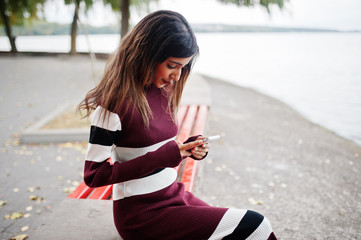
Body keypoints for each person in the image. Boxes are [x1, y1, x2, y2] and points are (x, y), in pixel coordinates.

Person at [78, 10, 277, 240]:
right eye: (172, 65)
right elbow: (94, 176)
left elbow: (159, 147)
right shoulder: (112, 107)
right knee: (256, 224)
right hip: (141, 214)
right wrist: (163, 156)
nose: (177, 75)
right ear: (147, 54)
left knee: (238, 231)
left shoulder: (164, 90)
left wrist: (188, 149)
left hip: (174, 196)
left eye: (183, 67)